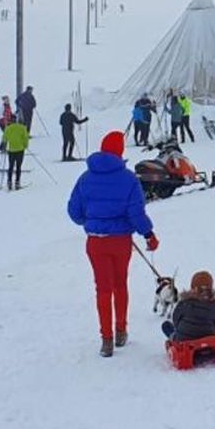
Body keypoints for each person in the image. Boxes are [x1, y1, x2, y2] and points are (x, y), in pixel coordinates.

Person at [67, 130, 158, 356]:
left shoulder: (85, 178)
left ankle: (106, 340)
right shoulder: (128, 179)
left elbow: (74, 211)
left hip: (96, 243)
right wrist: (148, 234)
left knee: (103, 289)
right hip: (120, 242)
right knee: (120, 285)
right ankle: (121, 331)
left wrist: (92, 221)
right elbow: (135, 213)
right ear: (119, 151)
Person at [164, 270, 215, 342]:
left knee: (166, 326)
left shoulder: (184, 303)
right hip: (209, 340)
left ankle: (173, 339)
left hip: (184, 341)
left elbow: (176, 320)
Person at [3, 117, 30, 190]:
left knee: (10, 167)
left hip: (11, 150)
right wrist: (25, 145)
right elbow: (25, 137)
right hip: (20, 150)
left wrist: (5, 146)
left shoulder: (8, 128)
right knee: (18, 167)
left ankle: (9, 181)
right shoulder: (22, 128)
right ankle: (17, 182)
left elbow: (4, 138)